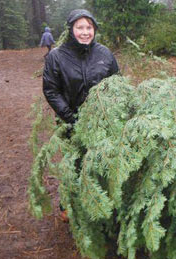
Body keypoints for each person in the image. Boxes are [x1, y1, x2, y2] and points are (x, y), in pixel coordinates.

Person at [42, 9, 119, 221]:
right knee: (74, 164)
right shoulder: (56, 57)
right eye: (80, 27)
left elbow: (117, 84)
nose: (85, 32)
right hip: (71, 123)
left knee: (102, 162)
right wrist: (71, 117)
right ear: (71, 29)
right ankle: (68, 206)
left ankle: (102, 205)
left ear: (94, 30)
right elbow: (51, 90)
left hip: (102, 123)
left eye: (89, 27)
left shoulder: (105, 54)